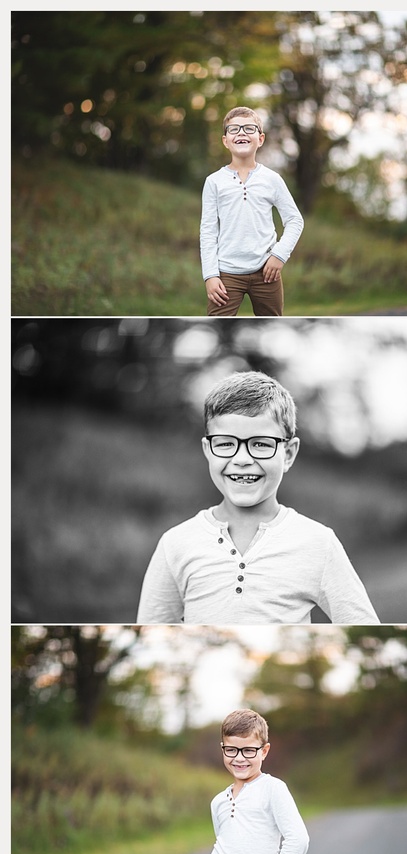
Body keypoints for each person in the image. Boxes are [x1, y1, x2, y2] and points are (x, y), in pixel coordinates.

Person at [136, 370, 380, 624]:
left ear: (288, 454)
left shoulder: (318, 543)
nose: (242, 460)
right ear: (208, 450)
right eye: (225, 444)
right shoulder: (175, 544)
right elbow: (151, 630)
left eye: (261, 444)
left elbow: (364, 626)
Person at [195, 709, 309, 854]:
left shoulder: (273, 789)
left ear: (264, 751)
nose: (239, 758)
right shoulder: (218, 801)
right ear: (223, 749)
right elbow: (231, 847)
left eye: (248, 750)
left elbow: (298, 840)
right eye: (231, 750)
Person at [200, 107, 304, 317]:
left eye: (249, 128)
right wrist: (210, 275)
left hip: (266, 272)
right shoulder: (214, 182)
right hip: (227, 273)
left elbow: (294, 220)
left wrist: (279, 256)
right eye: (234, 129)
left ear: (261, 138)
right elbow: (208, 231)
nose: (241, 133)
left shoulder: (272, 179)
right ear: (225, 140)